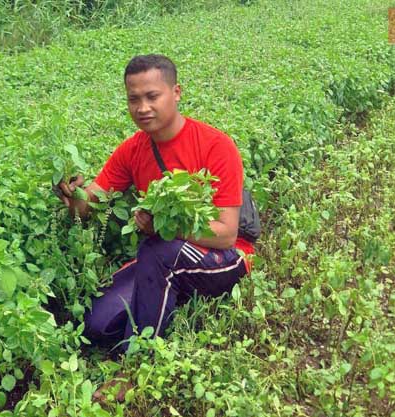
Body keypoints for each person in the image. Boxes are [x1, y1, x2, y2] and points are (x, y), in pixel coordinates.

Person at [56, 54, 254, 355]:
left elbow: (226, 233)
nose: (142, 108)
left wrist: (167, 227)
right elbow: (88, 207)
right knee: (97, 324)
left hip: (225, 257)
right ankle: (172, 292)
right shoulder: (132, 150)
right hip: (169, 256)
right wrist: (73, 195)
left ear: (176, 93)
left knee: (157, 250)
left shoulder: (216, 145)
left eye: (152, 96)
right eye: (134, 99)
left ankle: (137, 362)